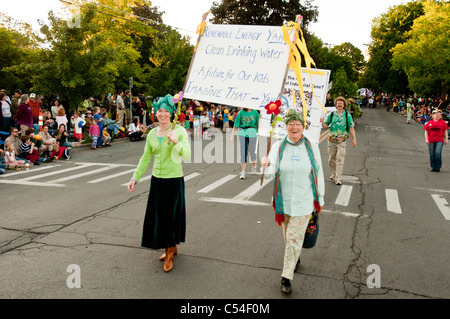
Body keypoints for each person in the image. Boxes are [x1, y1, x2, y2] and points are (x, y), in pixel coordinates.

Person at [261, 108, 325, 294]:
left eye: (298, 124)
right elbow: (270, 173)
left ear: (303, 127)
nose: (294, 127)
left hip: (304, 202)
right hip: (283, 203)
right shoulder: (278, 147)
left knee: (293, 238)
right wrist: (266, 164)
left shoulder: (312, 147)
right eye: (291, 124)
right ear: (286, 126)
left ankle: (286, 276)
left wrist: (320, 198)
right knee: (289, 237)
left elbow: (318, 173)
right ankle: (295, 257)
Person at [127, 94, 191, 273]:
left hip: (174, 180)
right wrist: (135, 177)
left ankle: (170, 252)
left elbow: (187, 155)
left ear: (171, 113)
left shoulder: (178, 131)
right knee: (159, 216)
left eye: (166, 111)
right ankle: (170, 246)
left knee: (169, 217)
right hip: (157, 180)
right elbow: (146, 157)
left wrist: (176, 142)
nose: (162, 114)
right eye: (160, 111)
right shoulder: (152, 134)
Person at [320, 96, 357, 185]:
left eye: (341, 104)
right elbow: (325, 126)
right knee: (331, 158)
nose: (339, 105)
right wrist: (322, 122)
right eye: (338, 104)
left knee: (340, 159)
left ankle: (338, 178)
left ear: (344, 105)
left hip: (341, 141)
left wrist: (354, 139)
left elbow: (351, 128)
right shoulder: (332, 115)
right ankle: (334, 172)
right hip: (331, 140)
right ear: (336, 105)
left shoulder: (347, 115)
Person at [230, 108, 260, 179]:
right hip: (242, 133)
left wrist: (259, 133)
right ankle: (243, 172)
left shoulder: (255, 112)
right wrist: (232, 136)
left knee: (252, 152)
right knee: (243, 152)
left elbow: (258, 124)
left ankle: (254, 165)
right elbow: (235, 125)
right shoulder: (240, 113)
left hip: (252, 133)